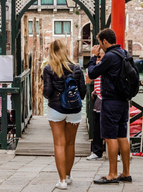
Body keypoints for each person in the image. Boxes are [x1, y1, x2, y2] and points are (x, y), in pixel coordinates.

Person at [88, 28, 132, 184]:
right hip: (123, 101)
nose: (100, 46)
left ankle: (112, 174)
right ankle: (126, 173)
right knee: (122, 136)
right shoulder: (124, 53)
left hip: (110, 101)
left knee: (110, 137)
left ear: (105, 41)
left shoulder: (110, 56)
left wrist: (93, 57)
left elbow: (92, 73)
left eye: (100, 43)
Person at [43, 39, 86, 190]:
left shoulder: (49, 69)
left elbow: (47, 93)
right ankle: (67, 176)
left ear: (51, 51)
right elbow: (83, 93)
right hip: (74, 110)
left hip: (56, 109)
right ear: (65, 50)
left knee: (59, 144)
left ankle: (61, 181)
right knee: (70, 144)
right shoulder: (77, 68)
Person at [86, 49, 104, 161]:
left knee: (107, 126)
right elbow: (88, 79)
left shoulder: (103, 64)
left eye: (100, 55)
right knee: (97, 126)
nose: (98, 58)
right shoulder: (98, 66)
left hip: (107, 98)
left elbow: (89, 77)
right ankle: (97, 151)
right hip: (98, 97)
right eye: (98, 56)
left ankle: (101, 151)